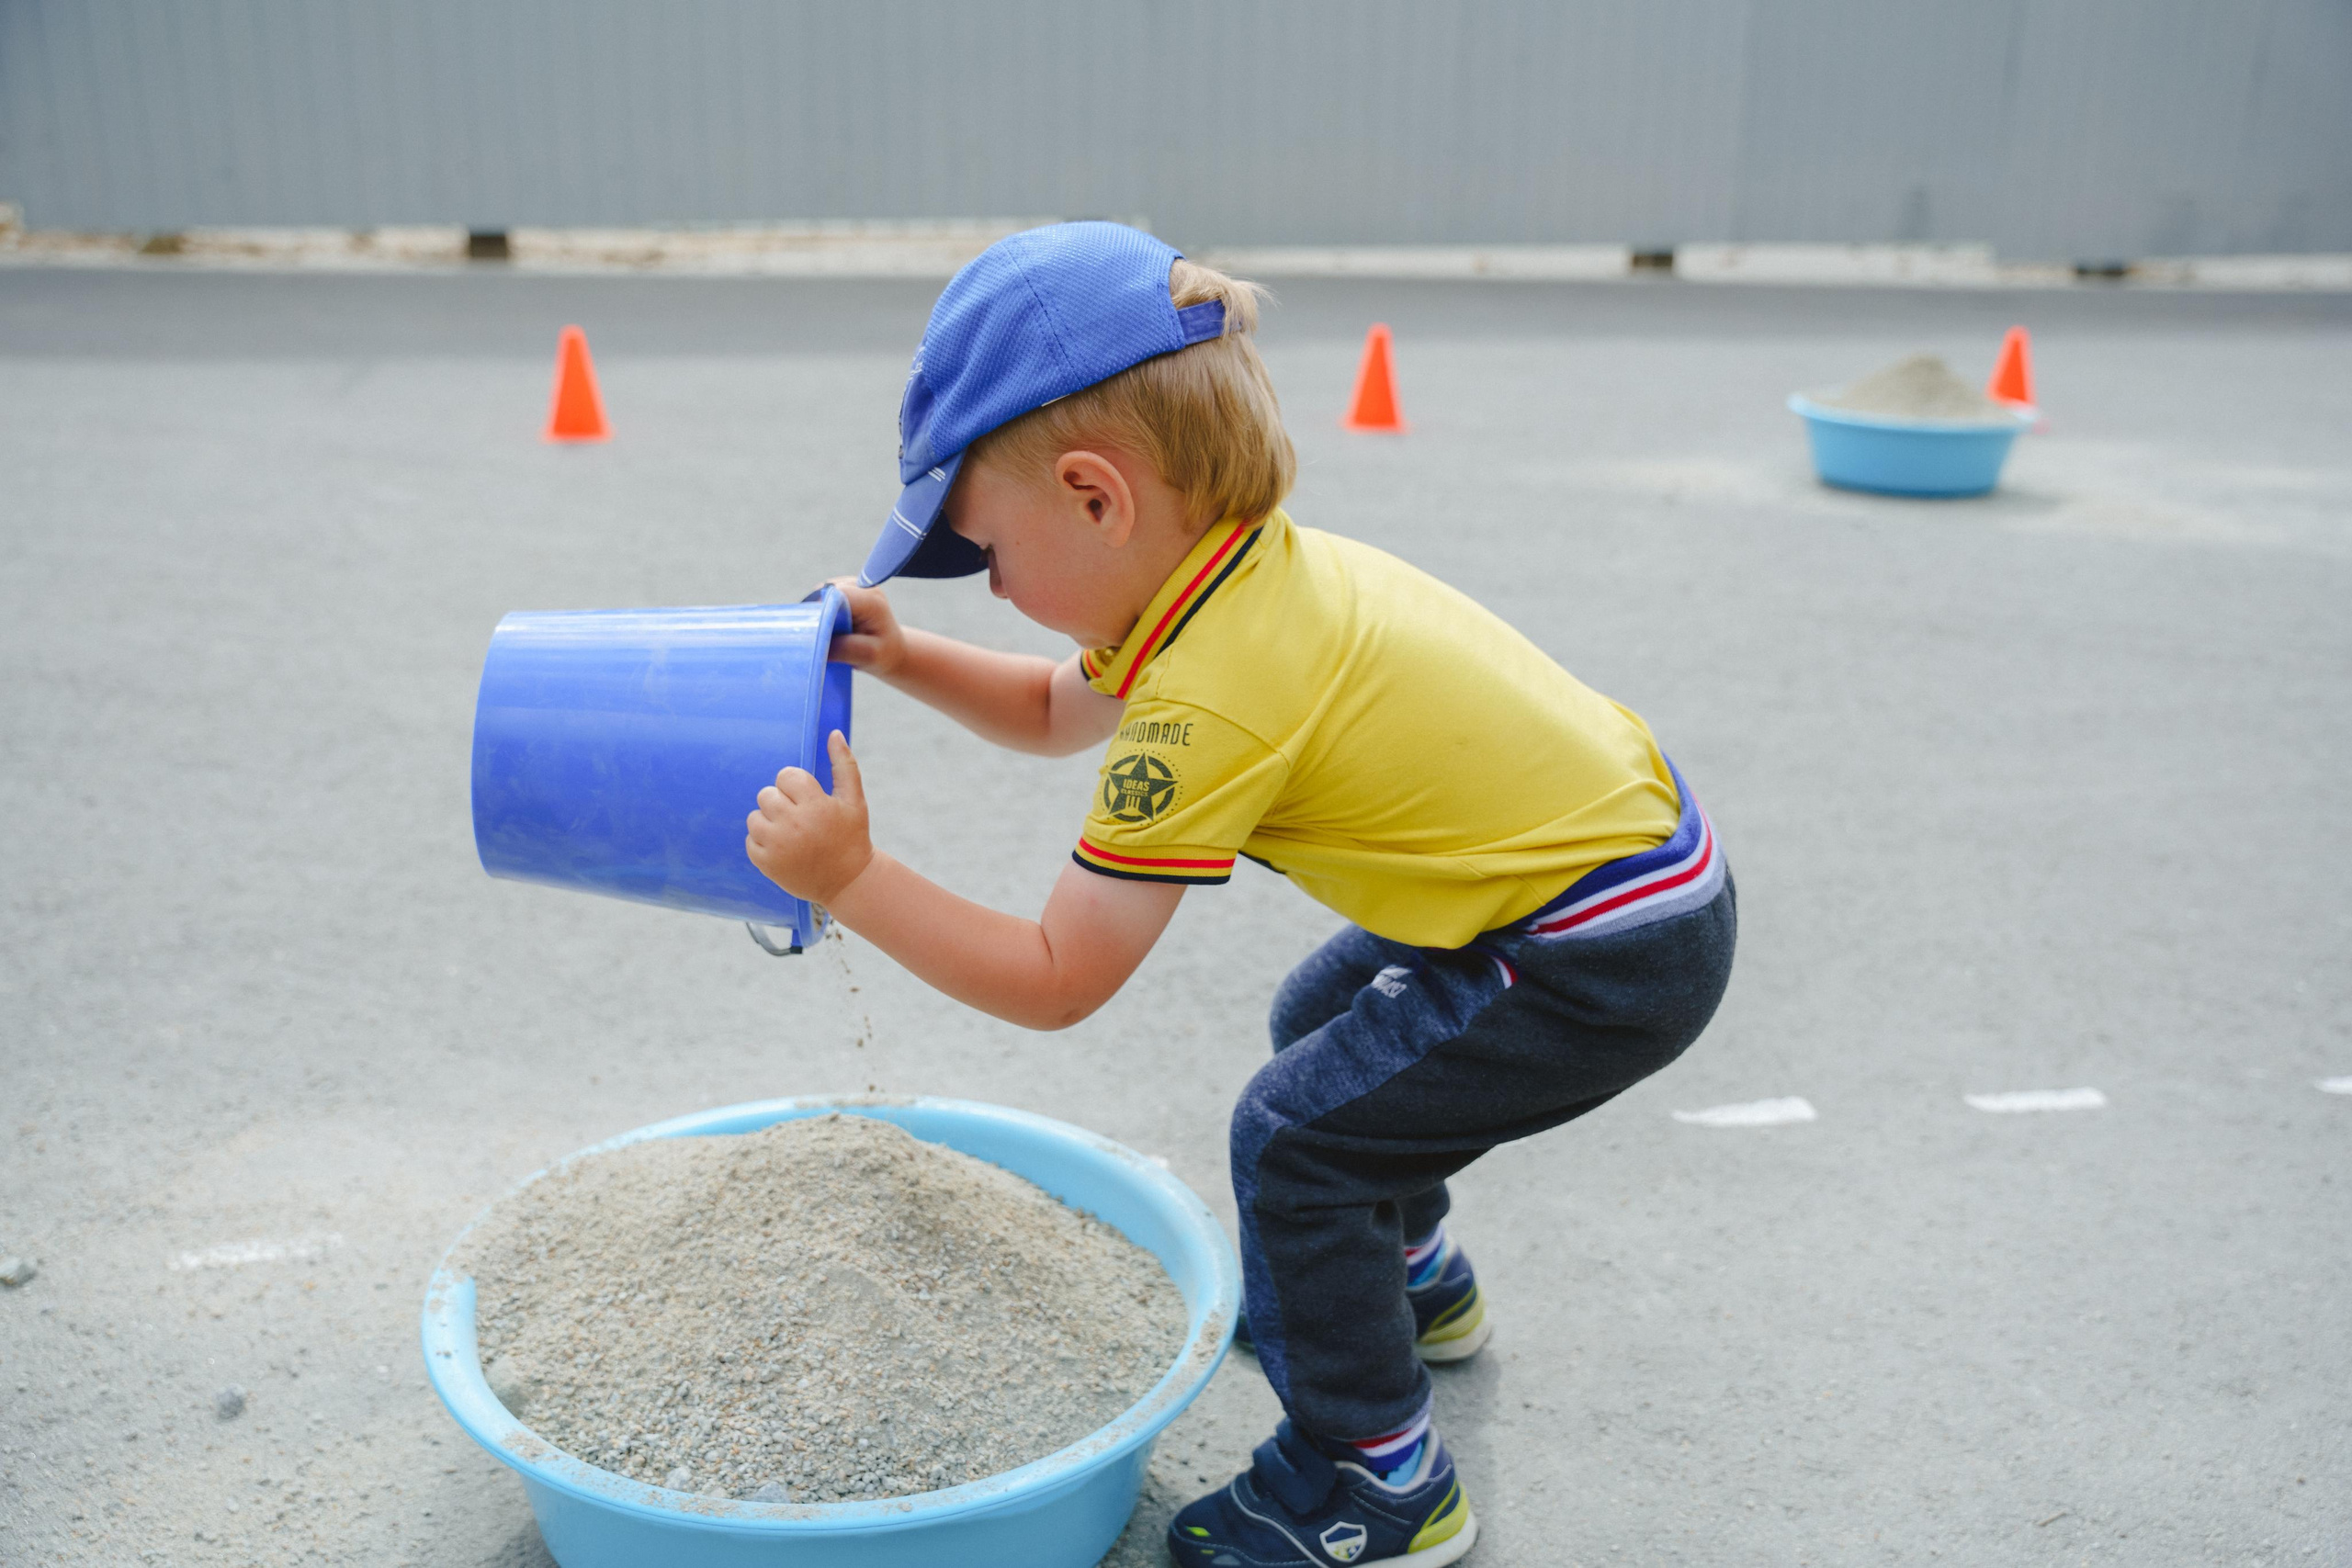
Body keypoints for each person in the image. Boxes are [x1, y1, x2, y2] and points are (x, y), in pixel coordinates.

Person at [745, 221, 1736, 1567]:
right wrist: (910, 655)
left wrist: (849, 878)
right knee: (1324, 1022)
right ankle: (1402, 1274)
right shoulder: (1223, 574)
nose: (997, 587)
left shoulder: (1209, 690)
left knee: (1294, 1138)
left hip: (1603, 947)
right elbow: (1050, 708)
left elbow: (1055, 976)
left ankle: (1376, 1477)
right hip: (1596, 875)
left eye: (986, 556)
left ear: (1098, 498)